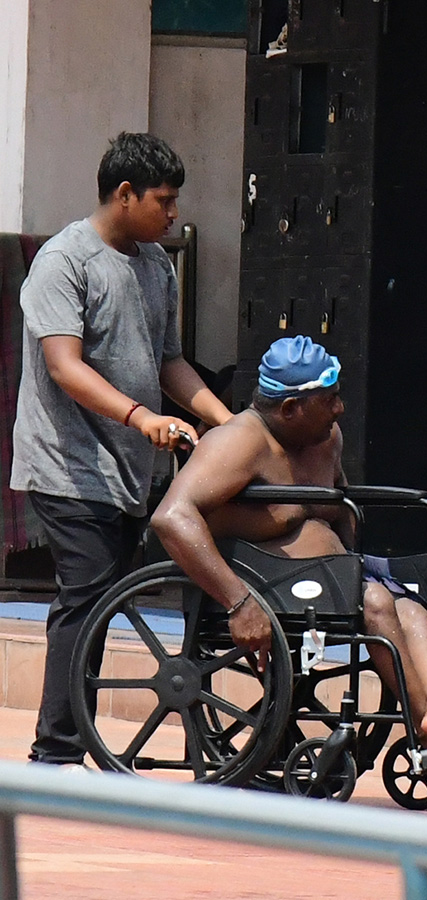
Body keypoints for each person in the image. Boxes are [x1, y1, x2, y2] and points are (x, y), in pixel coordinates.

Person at [10, 133, 234, 768]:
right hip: (69, 463)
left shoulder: (156, 265)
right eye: (163, 201)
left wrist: (225, 424)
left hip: (129, 467)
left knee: (102, 602)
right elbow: (64, 366)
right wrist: (142, 419)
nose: (172, 214)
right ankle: (55, 755)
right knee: (85, 599)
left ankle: (68, 743)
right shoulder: (63, 262)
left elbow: (170, 363)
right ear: (125, 193)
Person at [150, 336, 427, 747]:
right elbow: (170, 517)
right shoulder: (238, 442)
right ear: (291, 409)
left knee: (412, 609)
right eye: (329, 400)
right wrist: (237, 601)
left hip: (325, 577)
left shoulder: (325, 439)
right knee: (377, 602)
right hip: (257, 579)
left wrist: (354, 557)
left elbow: (341, 504)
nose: (339, 409)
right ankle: (426, 725)